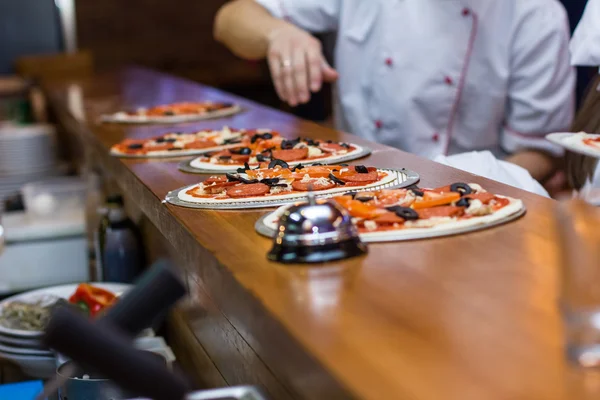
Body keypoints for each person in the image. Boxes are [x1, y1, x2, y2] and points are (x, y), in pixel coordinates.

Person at [214, 0, 575, 184]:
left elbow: (540, 152)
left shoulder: (536, 14)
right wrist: (278, 33)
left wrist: (447, 192)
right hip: (348, 185)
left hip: (473, 201)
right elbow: (230, 19)